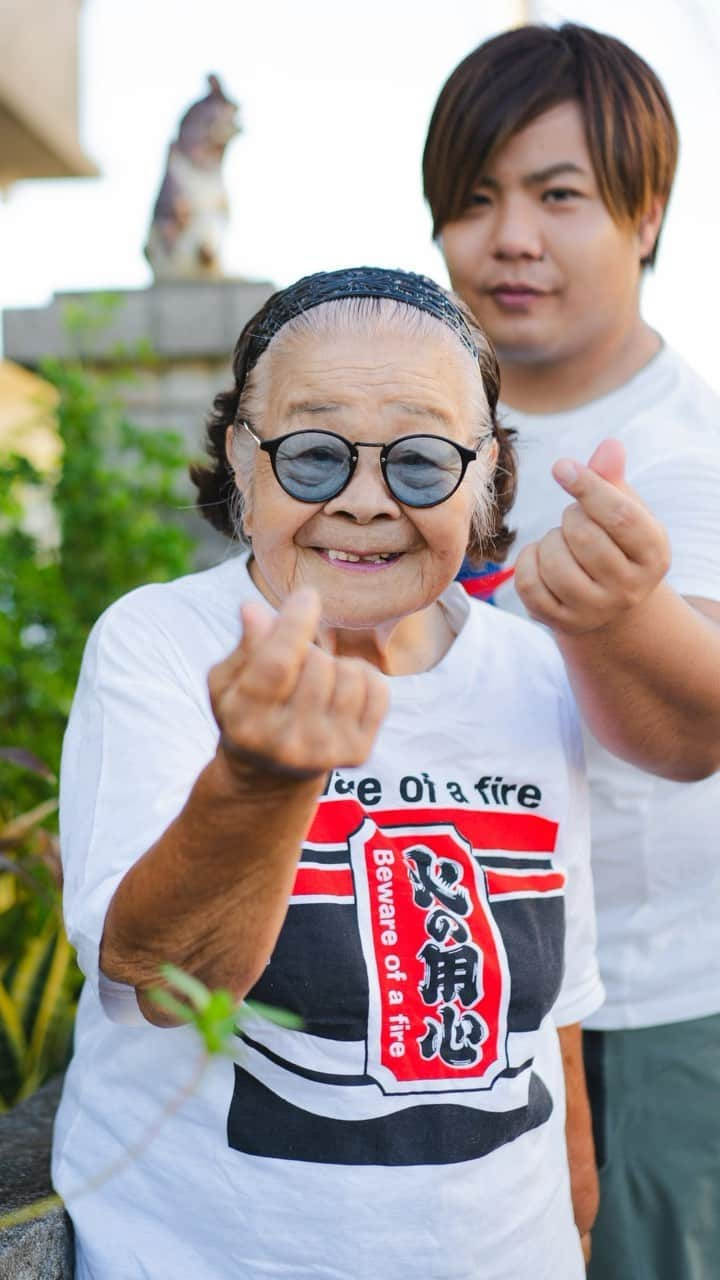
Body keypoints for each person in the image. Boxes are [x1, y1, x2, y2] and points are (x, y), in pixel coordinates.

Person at [53, 267, 603, 1280]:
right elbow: (155, 977)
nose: (361, 500)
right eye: (311, 455)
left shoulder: (533, 668)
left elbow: (552, 1006)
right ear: (239, 455)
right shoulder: (162, 643)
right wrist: (258, 783)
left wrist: (576, 1214)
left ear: (487, 473)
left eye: (423, 462)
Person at [423, 23, 720, 1280]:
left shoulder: (684, 450)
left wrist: (619, 612)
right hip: (444, 996)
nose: (511, 238)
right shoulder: (418, 423)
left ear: (647, 214)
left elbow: (697, 729)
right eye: (474, 198)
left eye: (560, 195)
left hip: (651, 1013)